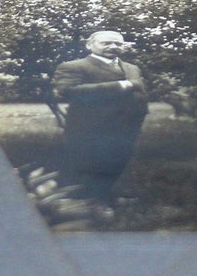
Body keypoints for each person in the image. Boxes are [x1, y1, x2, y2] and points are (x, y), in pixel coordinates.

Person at [49, 30, 149, 205]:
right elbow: (68, 91)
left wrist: (139, 114)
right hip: (90, 127)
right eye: (106, 43)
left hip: (127, 126)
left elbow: (139, 92)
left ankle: (108, 198)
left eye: (118, 44)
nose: (113, 47)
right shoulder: (73, 66)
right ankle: (84, 203)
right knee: (90, 163)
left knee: (118, 162)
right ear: (89, 45)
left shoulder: (132, 68)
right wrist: (119, 85)